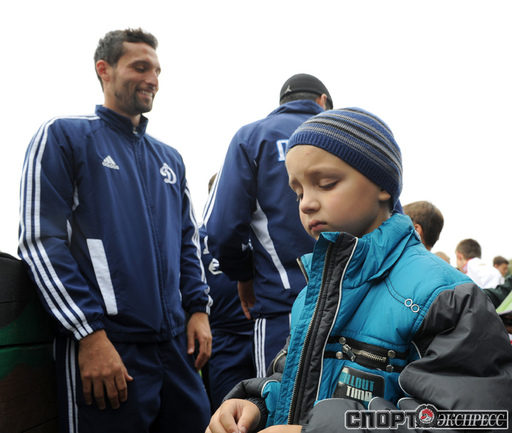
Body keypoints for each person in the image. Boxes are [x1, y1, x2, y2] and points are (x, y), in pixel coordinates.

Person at [206, 108, 512, 433]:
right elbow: (296, 381)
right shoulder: (311, 294)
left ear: (382, 184)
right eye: (298, 192)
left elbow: (473, 420)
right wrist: (257, 406)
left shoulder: (446, 297)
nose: (306, 203)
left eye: (326, 184)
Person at [19, 28, 212, 433]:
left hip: (174, 346)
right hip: (109, 346)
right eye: (140, 67)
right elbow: (40, 241)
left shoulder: (170, 158)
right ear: (103, 70)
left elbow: (187, 242)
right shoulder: (64, 136)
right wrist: (88, 335)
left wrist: (198, 309)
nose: (153, 79)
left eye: (157, 70)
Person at [202, 73, 333, 377]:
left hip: (282, 308)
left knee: (282, 402)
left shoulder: (252, 138)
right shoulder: (349, 133)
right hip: (360, 306)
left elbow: (221, 230)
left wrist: (244, 276)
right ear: (323, 101)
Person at [199, 175, 255, 412]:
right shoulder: (197, 239)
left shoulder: (258, 231)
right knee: (227, 410)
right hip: (223, 339)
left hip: (262, 329)